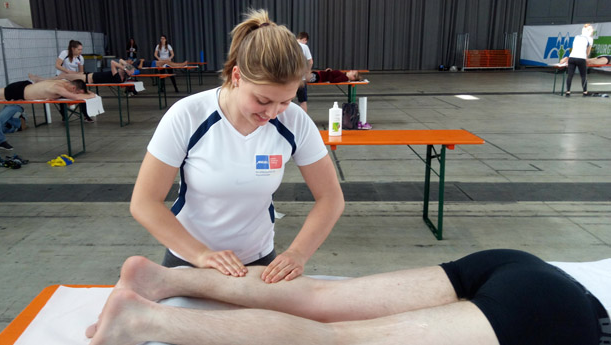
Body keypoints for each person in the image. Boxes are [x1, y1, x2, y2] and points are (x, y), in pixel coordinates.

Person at [130, 9, 344, 284]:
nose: (273, 113)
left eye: (285, 100)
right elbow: (144, 202)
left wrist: (298, 253)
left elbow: (330, 197)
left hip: (259, 261)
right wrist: (201, 254)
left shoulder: (294, 122)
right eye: (263, 100)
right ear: (236, 76)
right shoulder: (188, 115)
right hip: (188, 258)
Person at [86, 249, 610, 345]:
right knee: (336, 339)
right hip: (554, 317)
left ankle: (164, 279)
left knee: (318, 298)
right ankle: (142, 320)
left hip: (527, 269)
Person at [0, 79, 93, 102]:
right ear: (74, 87)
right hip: (19, 92)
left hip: (24, 86)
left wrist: (87, 92)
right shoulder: (60, 87)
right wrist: (90, 96)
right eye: (77, 91)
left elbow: (73, 93)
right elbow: (73, 97)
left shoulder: (63, 81)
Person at [564, 23, 594, 97]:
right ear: (589, 31)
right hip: (581, 58)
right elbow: (588, 51)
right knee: (583, 76)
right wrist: (586, 57)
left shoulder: (576, 36)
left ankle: (567, 91)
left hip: (572, 57)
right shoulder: (590, 39)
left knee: (570, 75)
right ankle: (585, 92)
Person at [296, 32, 313, 112]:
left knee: (286, 100)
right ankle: (304, 120)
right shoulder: (304, 47)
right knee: (303, 101)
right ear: (304, 39)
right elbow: (310, 61)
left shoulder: (289, 45)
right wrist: (308, 72)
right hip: (301, 78)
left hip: (290, 77)